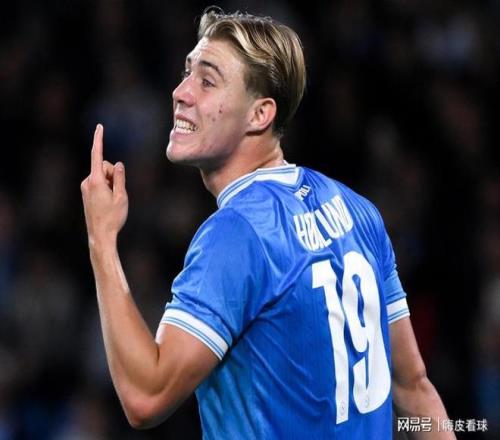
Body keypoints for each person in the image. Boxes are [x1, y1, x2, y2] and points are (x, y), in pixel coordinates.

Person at [81, 8, 455, 439]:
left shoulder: (238, 233)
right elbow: (414, 390)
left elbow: (146, 395)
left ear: (260, 115)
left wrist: (101, 240)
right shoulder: (357, 210)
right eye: (186, 73)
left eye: (207, 81)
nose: (180, 92)